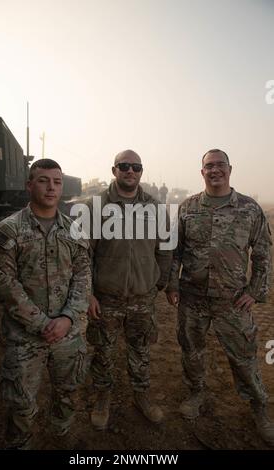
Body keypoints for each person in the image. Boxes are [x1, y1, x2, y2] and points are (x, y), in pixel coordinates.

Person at [166, 149, 274, 445]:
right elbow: (176, 251)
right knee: (192, 350)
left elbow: (263, 253)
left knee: (243, 358)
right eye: (209, 166)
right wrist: (172, 285)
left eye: (220, 165)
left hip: (232, 300)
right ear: (202, 172)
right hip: (193, 298)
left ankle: (259, 408)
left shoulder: (249, 209)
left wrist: (255, 291)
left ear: (230, 169)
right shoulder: (188, 208)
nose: (215, 170)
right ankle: (196, 393)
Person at [0, 158, 91, 449]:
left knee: (68, 393)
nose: (51, 187)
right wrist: (44, 325)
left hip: (67, 335)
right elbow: (6, 286)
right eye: (43, 180)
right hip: (25, 338)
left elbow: (83, 277)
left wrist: (68, 318)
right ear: (29, 185)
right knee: (20, 405)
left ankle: (61, 435)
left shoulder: (75, 231)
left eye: (57, 182)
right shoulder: (6, 232)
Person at [86, 149, 172, 430]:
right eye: (124, 166)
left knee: (141, 350)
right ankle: (102, 397)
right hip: (106, 298)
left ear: (141, 172)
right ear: (114, 170)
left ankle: (142, 395)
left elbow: (166, 249)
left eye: (136, 167)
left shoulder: (156, 209)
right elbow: (81, 254)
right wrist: (88, 292)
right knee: (104, 351)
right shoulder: (94, 207)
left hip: (142, 298)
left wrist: (158, 283)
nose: (130, 171)